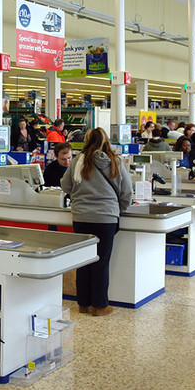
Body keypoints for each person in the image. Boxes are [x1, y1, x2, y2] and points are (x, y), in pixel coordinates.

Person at [60, 128, 132, 317]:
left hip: (81, 217)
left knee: (83, 260)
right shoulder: (116, 161)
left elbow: (65, 186)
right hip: (106, 218)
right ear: (106, 141)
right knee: (101, 262)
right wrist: (118, 209)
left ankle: (83, 304)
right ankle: (100, 305)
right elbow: (127, 192)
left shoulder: (78, 161)